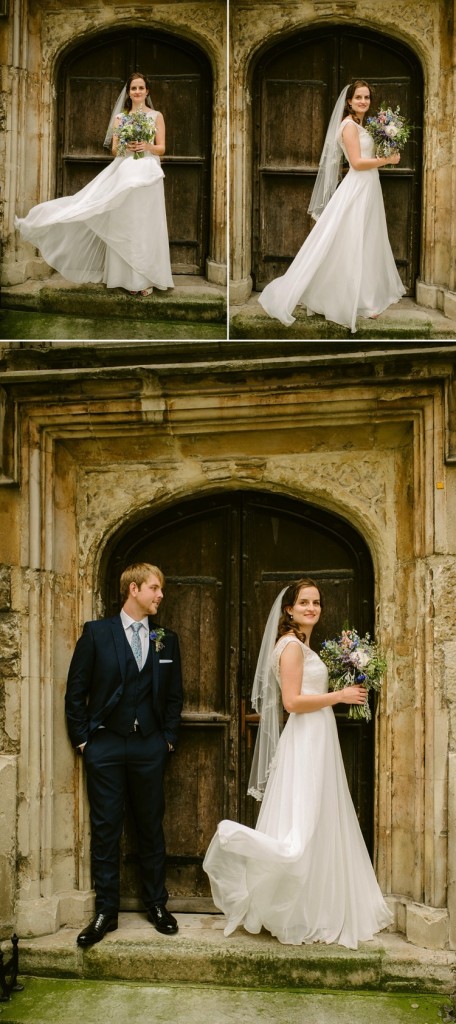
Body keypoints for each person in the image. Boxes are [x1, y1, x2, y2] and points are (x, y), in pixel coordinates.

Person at [203, 578, 392, 949]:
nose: (312, 608)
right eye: (304, 602)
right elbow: (291, 702)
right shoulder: (290, 647)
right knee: (303, 821)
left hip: (318, 736)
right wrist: (340, 695)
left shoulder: (302, 645)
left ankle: (314, 903)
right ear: (289, 609)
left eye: (316, 602)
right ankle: (284, 896)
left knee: (318, 816)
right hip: (306, 737)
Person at [65, 562, 183, 947]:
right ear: (133, 589)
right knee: (106, 829)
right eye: (154, 588)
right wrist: (84, 741)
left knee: (150, 826)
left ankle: (157, 905)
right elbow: (76, 690)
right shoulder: (97, 633)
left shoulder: (166, 639)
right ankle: (106, 911)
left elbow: (174, 695)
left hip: (150, 746)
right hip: (106, 745)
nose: (160, 595)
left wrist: (167, 739)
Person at [258, 80, 405, 333]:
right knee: (349, 241)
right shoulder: (348, 126)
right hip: (357, 187)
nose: (363, 101)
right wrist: (387, 160)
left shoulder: (365, 125)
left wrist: (388, 144)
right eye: (358, 97)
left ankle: (365, 297)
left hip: (369, 187)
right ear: (349, 101)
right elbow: (357, 163)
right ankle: (341, 298)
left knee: (366, 240)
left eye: (366, 97)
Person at [15, 72, 174, 296]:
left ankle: (146, 278)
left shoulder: (156, 116)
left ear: (147, 91)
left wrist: (146, 146)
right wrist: (127, 146)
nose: (137, 91)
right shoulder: (121, 118)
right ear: (128, 93)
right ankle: (127, 279)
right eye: (133, 88)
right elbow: (114, 150)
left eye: (141, 88)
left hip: (149, 176)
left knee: (146, 223)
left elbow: (162, 148)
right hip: (125, 173)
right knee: (125, 222)